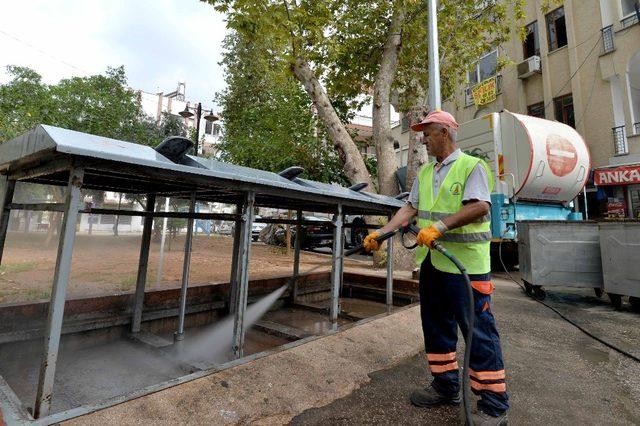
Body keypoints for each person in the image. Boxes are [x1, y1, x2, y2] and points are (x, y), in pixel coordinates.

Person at [363, 110, 509, 425]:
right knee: (437, 328)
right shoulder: (427, 172)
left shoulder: (473, 166)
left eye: (427, 134)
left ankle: (494, 405)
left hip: (466, 268)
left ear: (444, 132)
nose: (423, 139)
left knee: (478, 333)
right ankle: (446, 386)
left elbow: (480, 206)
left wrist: (439, 227)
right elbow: (410, 208)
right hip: (432, 264)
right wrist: (383, 233)